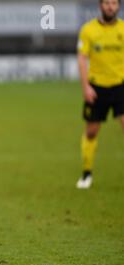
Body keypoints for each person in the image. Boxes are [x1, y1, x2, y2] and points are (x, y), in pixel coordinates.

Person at [76, 0, 124, 189]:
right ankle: (86, 173)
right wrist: (86, 86)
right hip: (97, 88)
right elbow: (81, 58)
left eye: (114, 3)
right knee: (91, 132)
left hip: (120, 86)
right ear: (100, 6)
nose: (110, 7)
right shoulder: (88, 30)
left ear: (118, 7)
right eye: (107, 3)